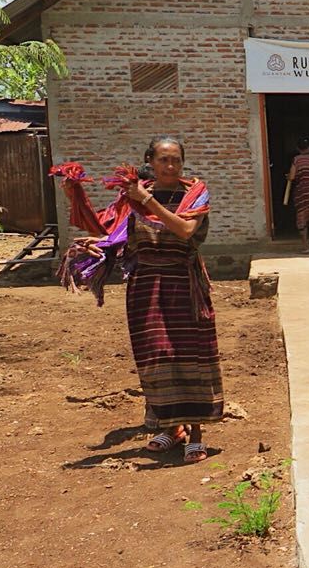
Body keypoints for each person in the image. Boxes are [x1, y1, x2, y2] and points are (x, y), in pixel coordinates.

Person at [56, 137, 224, 463]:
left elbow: (185, 230)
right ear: (150, 160)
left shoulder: (194, 193)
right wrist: (76, 196)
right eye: (163, 160)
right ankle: (171, 427)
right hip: (146, 287)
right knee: (156, 358)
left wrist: (147, 200)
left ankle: (197, 433)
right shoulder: (129, 197)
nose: (171, 166)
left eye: (176, 160)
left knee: (188, 356)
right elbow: (109, 232)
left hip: (183, 286)